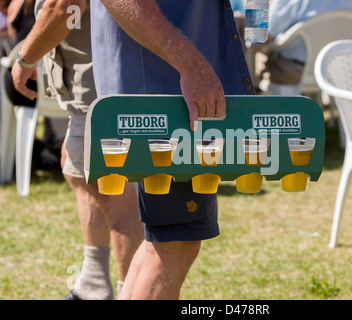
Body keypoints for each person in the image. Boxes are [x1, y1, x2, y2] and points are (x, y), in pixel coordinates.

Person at [90, 0, 254, 299]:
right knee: (176, 242)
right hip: (165, 98)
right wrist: (192, 66)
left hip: (167, 96)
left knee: (165, 239)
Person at [11, 0, 143, 300]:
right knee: (77, 172)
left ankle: (131, 294)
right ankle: (93, 286)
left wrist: (25, 58)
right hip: (94, 92)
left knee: (116, 198)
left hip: (103, 94)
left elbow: (63, 6)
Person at [260, 0, 352, 87]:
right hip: (337, 68)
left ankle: (253, 103)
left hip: (297, 69)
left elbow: (264, 35)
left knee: (257, 57)